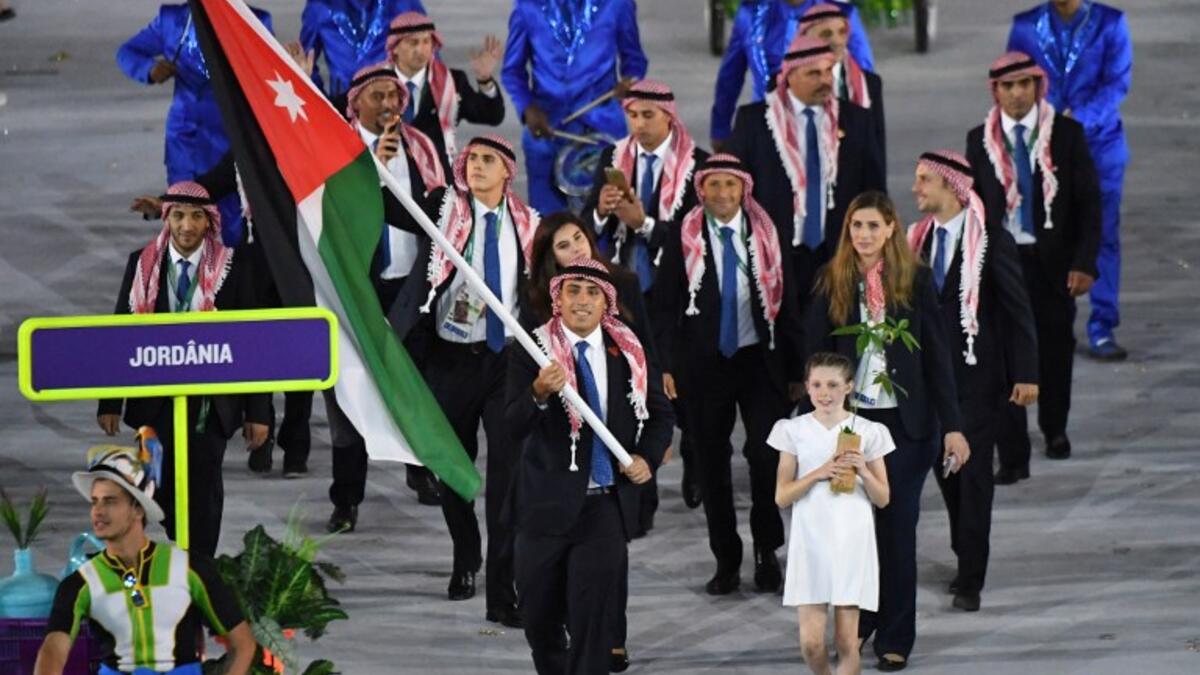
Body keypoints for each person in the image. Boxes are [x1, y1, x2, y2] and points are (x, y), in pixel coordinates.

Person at [805, 191, 968, 672]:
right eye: (857, 226)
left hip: (906, 428)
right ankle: (862, 622)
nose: (865, 236)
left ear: (892, 229)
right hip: (850, 426)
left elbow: (937, 354)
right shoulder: (831, 279)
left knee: (897, 531)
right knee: (853, 534)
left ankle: (896, 635)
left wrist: (953, 426)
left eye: (874, 226)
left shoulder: (913, 280)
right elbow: (814, 353)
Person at [385, 135, 536, 627]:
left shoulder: (529, 226)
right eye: (471, 159)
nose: (476, 167)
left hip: (506, 365)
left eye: (488, 160)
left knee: (507, 478)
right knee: (451, 469)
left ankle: (502, 591)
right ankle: (465, 553)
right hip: (450, 359)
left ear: (507, 172)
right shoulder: (443, 207)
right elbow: (393, 207)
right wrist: (379, 164)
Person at [507, 258, 674, 675]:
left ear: (606, 304)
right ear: (557, 299)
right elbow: (508, 426)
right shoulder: (532, 350)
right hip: (544, 507)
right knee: (539, 618)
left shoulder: (629, 352)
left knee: (593, 624)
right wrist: (538, 393)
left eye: (592, 293)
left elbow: (659, 414)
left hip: (605, 507)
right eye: (573, 291)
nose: (582, 301)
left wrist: (646, 458)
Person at [654, 154, 805, 595]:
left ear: (744, 190)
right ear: (702, 190)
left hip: (761, 362)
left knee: (764, 456)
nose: (722, 194)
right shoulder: (683, 238)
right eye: (714, 185)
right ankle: (726, 557)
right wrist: (665, 366)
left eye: (730, 186)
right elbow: (663, 308)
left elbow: (789, 301)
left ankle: (766, 550)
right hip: (703, 368)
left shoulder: (766, 234)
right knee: (710, 463)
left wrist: (796, 370)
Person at [97, 182, 270, 559]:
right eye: (178, 216)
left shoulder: (234, 266)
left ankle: (199, 567)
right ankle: (183, 546)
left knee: (205, 487)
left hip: (211, 406)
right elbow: (119, 335)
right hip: (153, 405)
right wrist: (109, 401)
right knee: (160, 486)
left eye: (195, 217)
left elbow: (252, 344)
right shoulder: (141, 265)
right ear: (166, 218)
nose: (186, 227)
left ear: (209, 222)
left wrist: (258, 412)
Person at [909, 150, 1039, 613]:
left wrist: (1026, 373)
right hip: (930, 383)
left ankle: (971, 577)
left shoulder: (991, 242)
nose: (915, 188)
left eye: (925, 180)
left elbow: (1018, 309)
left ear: (951, 188)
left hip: (977, 380)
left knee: (974, 479)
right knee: (948, 476)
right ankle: (966, 552)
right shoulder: (916, 241)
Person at [966, 52, 1101, 471]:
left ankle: (1054, 427)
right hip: (1001, 264)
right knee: (1004, 351)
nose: (1017, 93)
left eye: (1024, 84)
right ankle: (1012, 449)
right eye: (1007, 86)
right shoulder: (979, 140)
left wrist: (1084, 263)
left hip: (1053, 264)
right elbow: (973, 208)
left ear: (1038, 86)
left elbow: (1089, 204)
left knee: (1055, 348)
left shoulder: (1066, 134)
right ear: (996, 91)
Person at [35, 444, 257, 674]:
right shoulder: (79, 584)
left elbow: (243, 644)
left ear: (138, 509)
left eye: (110, 501)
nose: (98, 511)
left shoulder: (191, 569)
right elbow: (52, 650)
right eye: (95, 501)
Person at [1007, 0, 1132, 360]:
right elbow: (1012, 79)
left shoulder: (1111, 23)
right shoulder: (1025, 26)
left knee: (1104, 233)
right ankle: (1048, 322)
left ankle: (1102, 326)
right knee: (1042, 233)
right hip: (1043, 147)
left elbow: (1117, 83)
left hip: (1100, 145)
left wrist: (1077, 119)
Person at [727, 33, 886, 311]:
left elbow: (874, 190)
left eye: (828, 71)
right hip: (776, 254)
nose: (825, 80)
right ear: (790, 76)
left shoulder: (856, 120)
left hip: (839, 253)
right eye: (814, 73)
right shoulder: (755, 121)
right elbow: (736, 189)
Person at [771, 351, 892, 675]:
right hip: (810, 540)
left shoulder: (869, 431)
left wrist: (864, 471)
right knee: (811, 643)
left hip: (852, 539)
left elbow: (883, 498)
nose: (824, 393)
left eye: (833, 384)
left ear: (849, 386)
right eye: (817, 384)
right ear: (807, 387)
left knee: (846, 641)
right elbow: (782, 496)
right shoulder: (791, 430)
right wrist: (818, 473)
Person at [117, 3, 273, 248]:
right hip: (185, 139)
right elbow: (127, 52)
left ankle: (230, 281)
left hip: (230, 140)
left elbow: (269, 78)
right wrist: (149, 70)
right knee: (185, 218)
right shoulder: (172, 19)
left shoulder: (255, 21)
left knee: (231, 222)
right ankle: (187, 281)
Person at [501, 0, 648, 214]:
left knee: (608, 217)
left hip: (603, 131)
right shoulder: (527, 6)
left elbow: (634, 59)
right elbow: (512, 70)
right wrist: (527, 107)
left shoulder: (618, 4)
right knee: (548, 224)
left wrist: (630, 82)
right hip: (546, 130)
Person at [583, 79, 709, 297]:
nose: (639, 124)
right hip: (623, 284)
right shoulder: (612, 157)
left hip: (676, 286)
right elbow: (586, 225)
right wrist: (601, 212)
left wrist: (644, 225)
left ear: (669, 116)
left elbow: (698, 233)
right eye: (632, 115)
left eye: (648, 115)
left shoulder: (697, 165)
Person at [710, 0, 873, 151]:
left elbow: (865, 79)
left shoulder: (839, 13)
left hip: (828, 127)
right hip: (766, 127)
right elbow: (730, 76)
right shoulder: (751, 13)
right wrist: (720, 127)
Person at [385, 11, 506, 169]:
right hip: (386, 180)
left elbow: (492, 116)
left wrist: (485, 80)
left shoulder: (453, 82)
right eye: (413, 43)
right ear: (394, 48)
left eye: (426, 42)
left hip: (438, 183)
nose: (420, 50)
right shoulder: (373, 84)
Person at [798, 3, 885, 167]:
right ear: (806, 38)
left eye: (841, 32)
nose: (836, 41)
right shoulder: (783, 85)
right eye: (826, 34)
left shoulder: (869, 84)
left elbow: (876, 150)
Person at [299, 0, 427, 97]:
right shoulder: (320, 7)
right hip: (343, 106)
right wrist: (322, 101)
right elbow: (304, 61)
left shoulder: (402, 3)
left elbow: (429, 55)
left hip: (390, 103)